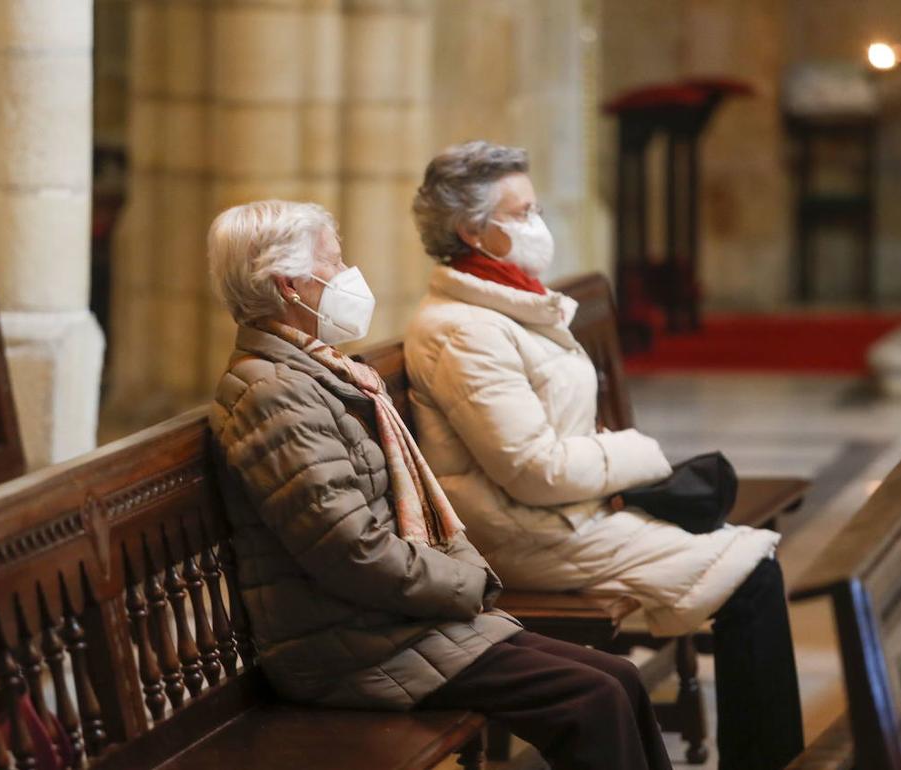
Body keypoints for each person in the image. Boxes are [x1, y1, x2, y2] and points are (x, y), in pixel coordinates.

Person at [206, 199, 672, 770]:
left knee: (619, 676)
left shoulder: (315, 371)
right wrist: (463, 584)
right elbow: (351, 551)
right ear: (289, 283)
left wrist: (463, 580)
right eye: (334, 263)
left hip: (390, 624)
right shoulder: (271, 396)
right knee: (591, 697)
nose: (348, 275)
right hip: (344, 647)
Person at [404, 141, 805, 770]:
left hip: (574, 513)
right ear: (471, 231)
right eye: (523, 212)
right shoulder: (462, 330)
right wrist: (637, 453)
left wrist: (609, 465)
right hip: (528, 533)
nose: (539, 225)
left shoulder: (505, 301)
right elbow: (535, 470)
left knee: (751, 563)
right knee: (752, 572)